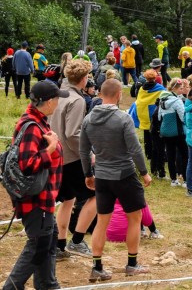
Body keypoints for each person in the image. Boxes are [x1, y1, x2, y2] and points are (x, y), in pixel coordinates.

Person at [79, 78, 152, 282]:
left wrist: (87, 174)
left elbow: (83, 150)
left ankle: (97, 267)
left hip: (101, 175)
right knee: (135, 218)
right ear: (119, 94)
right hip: (125, 175)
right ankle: (132, 264)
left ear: (101, 95)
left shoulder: (88, 119)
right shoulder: (123, 118)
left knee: (102, 221)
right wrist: (144, 172)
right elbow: (135, 149)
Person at [2, 81, 65, 290]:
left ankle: (47, 284)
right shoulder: (32, 126)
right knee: (38, 244)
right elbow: (28, 165)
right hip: (37, 199)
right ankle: (11, 287)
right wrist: (52, 147)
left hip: (42, 198)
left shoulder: (37, 121)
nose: (58, 103)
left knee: (48, 239)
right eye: (56, 99)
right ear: (48, 102)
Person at [50, 59, 97, 260]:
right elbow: (72, 134)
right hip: (71, 158)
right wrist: (89, 154)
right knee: (98, 195)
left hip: (56, 156)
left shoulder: (58, 94)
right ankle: (76, 241)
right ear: (84, 78)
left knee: (67, 200)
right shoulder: (76, 100)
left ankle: (60, 246)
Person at [130, 69, 167, 179]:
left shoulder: (141, 88)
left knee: (148, 139)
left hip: (144, 117)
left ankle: (150, 159)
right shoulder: (160, 88)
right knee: (158, 144)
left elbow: (139, 101)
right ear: (155, 78)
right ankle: (160, 169)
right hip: (155, 119)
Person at [159, 78, 189, 187]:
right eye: (180, 88)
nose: (182, 91)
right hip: (178, 132)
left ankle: (173, 179)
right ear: (175, 89)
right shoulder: (177, 101)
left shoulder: (162, 100)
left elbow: (159, 116)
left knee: (170, 155)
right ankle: (186, 179)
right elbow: (183, 118)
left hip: (166, 131)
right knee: (185, 154)